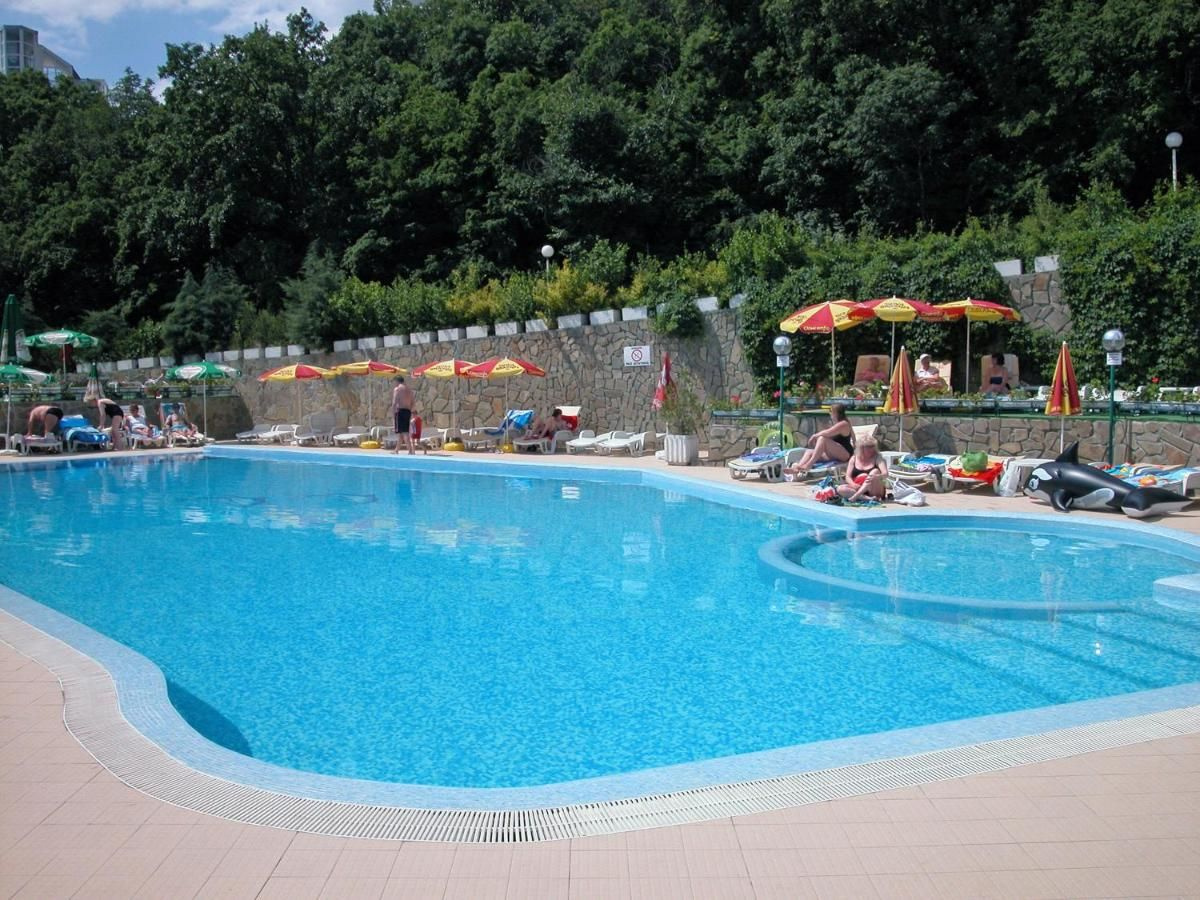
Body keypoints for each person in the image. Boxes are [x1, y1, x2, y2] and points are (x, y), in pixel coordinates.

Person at [783, 403, 854, 476]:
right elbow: (851, 437)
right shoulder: (839, 423)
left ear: (835, 412)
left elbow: (827, 432)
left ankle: (809, 464)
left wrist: (814, 436)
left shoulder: (843, 424)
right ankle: (797, 468)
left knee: (822, 439)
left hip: (845, 454)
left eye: (830, 411)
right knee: (809, 452)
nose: (829, 413)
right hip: (836, 453)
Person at [836, 435, 889, 501]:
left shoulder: (878, 458)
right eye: (868, 446)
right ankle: (867, 498)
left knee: (875, 471)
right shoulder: (854, 459)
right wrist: (853, 484)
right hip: (858, 487)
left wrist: (876, 477)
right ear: (861, 448)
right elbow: (848, 477)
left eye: (873, 446)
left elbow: (885, 474)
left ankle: (856, 496)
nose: (872, 448)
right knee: (840, 489)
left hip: (874, 488)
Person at [390, 375, 416, 455]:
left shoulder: (397, 389)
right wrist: (409, 410)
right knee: (402, 432)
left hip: (400, 411)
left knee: (405, 432)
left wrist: (393, 414)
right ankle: (396, 450)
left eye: (394, 382)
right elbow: (413, 403)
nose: (394, 384)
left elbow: (394, 402)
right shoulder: (409, 390)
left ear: (397, 381)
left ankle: (410, 451)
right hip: (407, 411)